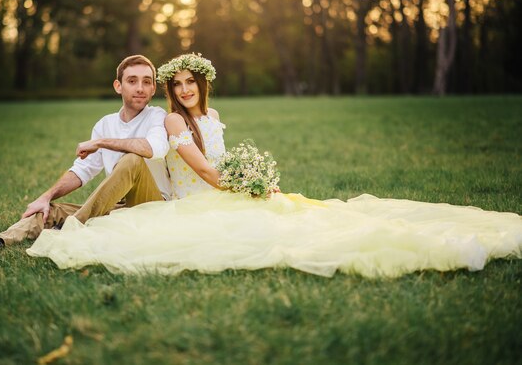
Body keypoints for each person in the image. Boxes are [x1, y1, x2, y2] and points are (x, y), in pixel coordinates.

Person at [26, 53, 522, 278]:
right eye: (174, 85)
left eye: (188, 83)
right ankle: (51, 216)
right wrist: (246, 184)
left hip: (220, 193)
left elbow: (218, 158)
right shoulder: (172, 125)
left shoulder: (212, 115)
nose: (182, 91)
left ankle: (51, 214)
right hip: (198, 198)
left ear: (202, 84)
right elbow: (203, 173)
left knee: (306, 220)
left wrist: (252, 181)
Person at [0, 55, 172, 250]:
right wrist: (46, 197)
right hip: (114, 206)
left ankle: (70, 230)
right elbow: (82, 171)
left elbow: (154, 149)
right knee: (50, 211)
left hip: (151, 206)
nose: (140, 88)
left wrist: (101, 143)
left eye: (147, 82)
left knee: (132, 160)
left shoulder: (157, 116)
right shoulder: (105, 123)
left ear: (153, 89)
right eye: (132, 81)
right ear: (118, 86)